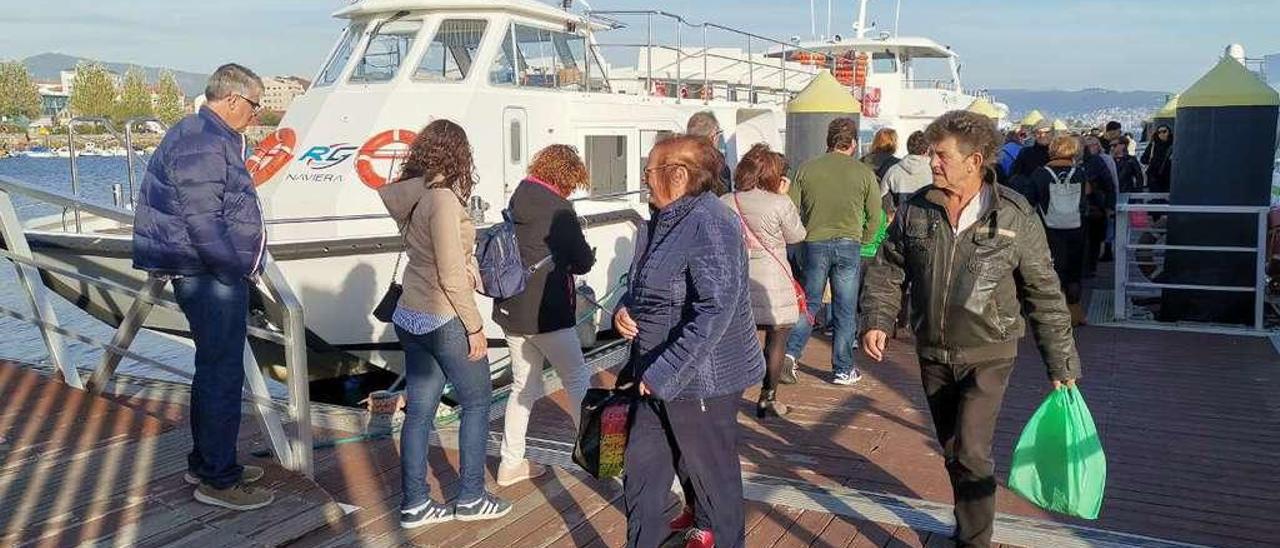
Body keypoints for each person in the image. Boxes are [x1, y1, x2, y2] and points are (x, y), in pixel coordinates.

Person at [860, 110, 1081, 548]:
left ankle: (974, 541)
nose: (933, 163)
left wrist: (1062, 363)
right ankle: (966, 523)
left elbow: (1045, 292)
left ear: (974, 160)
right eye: (931, 155)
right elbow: (888, 270)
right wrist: (878, 319)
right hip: (932, 350)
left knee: (972, 451)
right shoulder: (916, 208)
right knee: (952, 449)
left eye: (941, 155)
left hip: (989, 353)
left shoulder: (1015, 215)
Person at [132, 64, 273, 511]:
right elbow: (203, 221)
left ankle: (208, 460)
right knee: (222, 376)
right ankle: (218, 479)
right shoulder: (204, 141)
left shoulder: (199, 134)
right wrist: (234, 270)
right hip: (209, 275)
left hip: (203, 271)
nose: (256, 114)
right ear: (232, 99)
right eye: (254, 105)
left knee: (212, 371)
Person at [614, 135, 764, 548]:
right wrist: (625, 309)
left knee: (713, 488)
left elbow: (717, 306)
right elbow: (644, 285)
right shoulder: (659, 220)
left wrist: (665, 371)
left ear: (678, 175)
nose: (645, 182)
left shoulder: (711, 220)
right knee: (641, 477)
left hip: (702, 381)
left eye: (649, 173)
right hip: (652, 374)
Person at [378, 120, 510, 529]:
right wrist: (474, 328)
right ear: (458, 155)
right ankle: (471, 496)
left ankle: (415, 504)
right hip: (444, 316)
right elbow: (451, 273)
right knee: (476, 403)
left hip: (410, 316)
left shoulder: (414, 195)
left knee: (419, 411)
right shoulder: (443, 200)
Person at [493, 145, 596, 486]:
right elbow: (581, 261)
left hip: (511, 309)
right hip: (548, 313)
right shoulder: (560, 210)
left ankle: (510, 464)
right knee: (578, 381)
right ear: (567, 178)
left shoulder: (519, 196)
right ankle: (592, 453)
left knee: (522, 386)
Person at [785, 118, 882, 385]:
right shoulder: (864, 173)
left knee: (810, 303)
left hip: (814, 242)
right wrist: (864, 239)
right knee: (845, 307)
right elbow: (875, 215)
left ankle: (790, 354)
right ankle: (842, 368)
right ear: (852, 143)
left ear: (828, 142)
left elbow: (791, 209)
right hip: (849, 244)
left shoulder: (807, 169)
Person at [723, 143, 807, 418]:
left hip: (737, 278)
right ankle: (767, 397)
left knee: (733, 339)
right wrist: (784, 196)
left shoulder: (727, 201)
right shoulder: (780, 203)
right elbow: (797, 235)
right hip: (773, 280)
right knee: (777, 338)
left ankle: (727, 398)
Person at [1031, 135, 1090, 326]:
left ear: (1052, 150)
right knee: (1074, 271)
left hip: (1049, 230)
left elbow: (1031, 198)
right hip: (1076, 227)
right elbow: (1087, 194)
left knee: (1053, 271)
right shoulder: (1080, 173)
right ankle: (1075, 313)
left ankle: (1054, 315)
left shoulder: (1040, 173)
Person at [1081, 135, 1117, 273]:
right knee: (1089, 239)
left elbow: (1110, 184)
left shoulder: (1097, 161)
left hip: (1094, 205)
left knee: (1093, 238)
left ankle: (1090, 268)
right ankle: (1087, 268)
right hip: (1086, 206)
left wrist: (1110, 205)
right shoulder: (1078, 162)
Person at [883, 130, 935, 207]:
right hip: (929, 217)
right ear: (927, 150)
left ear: (908, 148)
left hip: (901, 216)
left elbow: (881, 196)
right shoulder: (935, 172)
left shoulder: (893, 171)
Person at [687, 111, 733, 194]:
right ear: (713, 136)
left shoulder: (676, 159)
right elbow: (722, 201)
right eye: (719, 133)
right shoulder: (719, 166)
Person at [1141, 124, 1174, 193]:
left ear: (1169, 132)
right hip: (1154, 178)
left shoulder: (1174, 145)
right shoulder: (1153, 145)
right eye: (1159, 132)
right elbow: (1143, 159)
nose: (1162, 134)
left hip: (1170, 178)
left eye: (1164, 131)